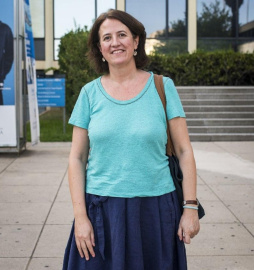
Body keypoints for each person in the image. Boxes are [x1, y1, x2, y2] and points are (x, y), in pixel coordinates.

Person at [63, 9, 200, 270]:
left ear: (136, 41)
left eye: (122, 35)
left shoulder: (163, 87)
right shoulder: (89, 94)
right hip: (101, 210)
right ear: (100, 48)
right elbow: (77, 158)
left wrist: (190, 208)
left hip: (156, 210)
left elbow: (184, 151)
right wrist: (80, 216)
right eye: (106, 38)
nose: (115, 43)